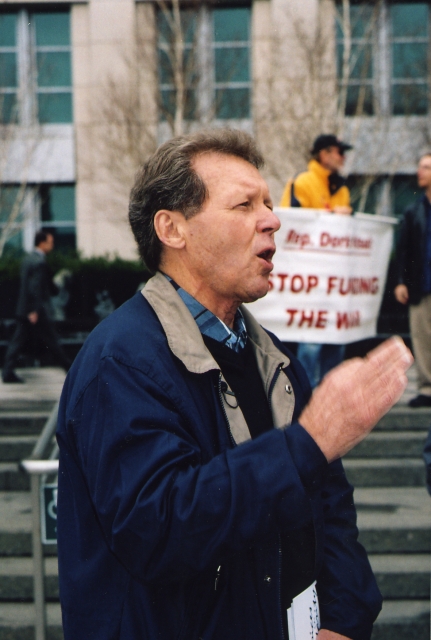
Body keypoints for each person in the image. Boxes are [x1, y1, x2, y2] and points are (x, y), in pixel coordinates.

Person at [56, 129, 412, 640]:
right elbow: (160, 530)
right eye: (244, 205)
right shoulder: (121, 363)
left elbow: (331, 509)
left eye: (266, 203)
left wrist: (343, 620)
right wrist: (307, 444)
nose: (272, 219)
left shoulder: (275, 358)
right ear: (172, 229)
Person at [280, 134, 353, 388]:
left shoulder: (341, 188)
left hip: (333, 279)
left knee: (335, 340)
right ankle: (306, 399)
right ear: (324, 154)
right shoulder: (301, 182)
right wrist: (331, 214)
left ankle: (331, 399)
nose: (343, 158)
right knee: (311, 341)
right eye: (339, 152)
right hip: (309, 280)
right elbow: (291, 225)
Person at [2, 230, 71, 383]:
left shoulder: (27, 259)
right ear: (42, 243)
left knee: (18, 341)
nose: (52, 246)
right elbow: (35, 287)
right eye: (50, 242)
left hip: (25, 309)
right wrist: (33, 310)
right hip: (37, 311)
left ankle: (7, 372)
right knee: (52, 340)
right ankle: (70, 369)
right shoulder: (39, 262)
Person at [394, 153, 431, 407]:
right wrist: (400, 281)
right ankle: (427, 389)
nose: (420, 171)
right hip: (421, 284)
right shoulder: (413, 210)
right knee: (422, 337)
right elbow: (403, 250)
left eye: (426, 167)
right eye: (420, 166)